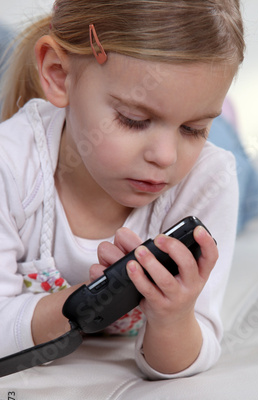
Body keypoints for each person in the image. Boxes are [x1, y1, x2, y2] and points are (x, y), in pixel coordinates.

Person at [0, 0, 245, 380]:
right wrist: (89, 300)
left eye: (194, 128)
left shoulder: (206, 179)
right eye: (134, 120)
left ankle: (222, 121)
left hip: (223, 165)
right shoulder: (10, 166)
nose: (165, 157)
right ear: (58, 74)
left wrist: (174, 319)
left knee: (246, 184)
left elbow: (194, 349)